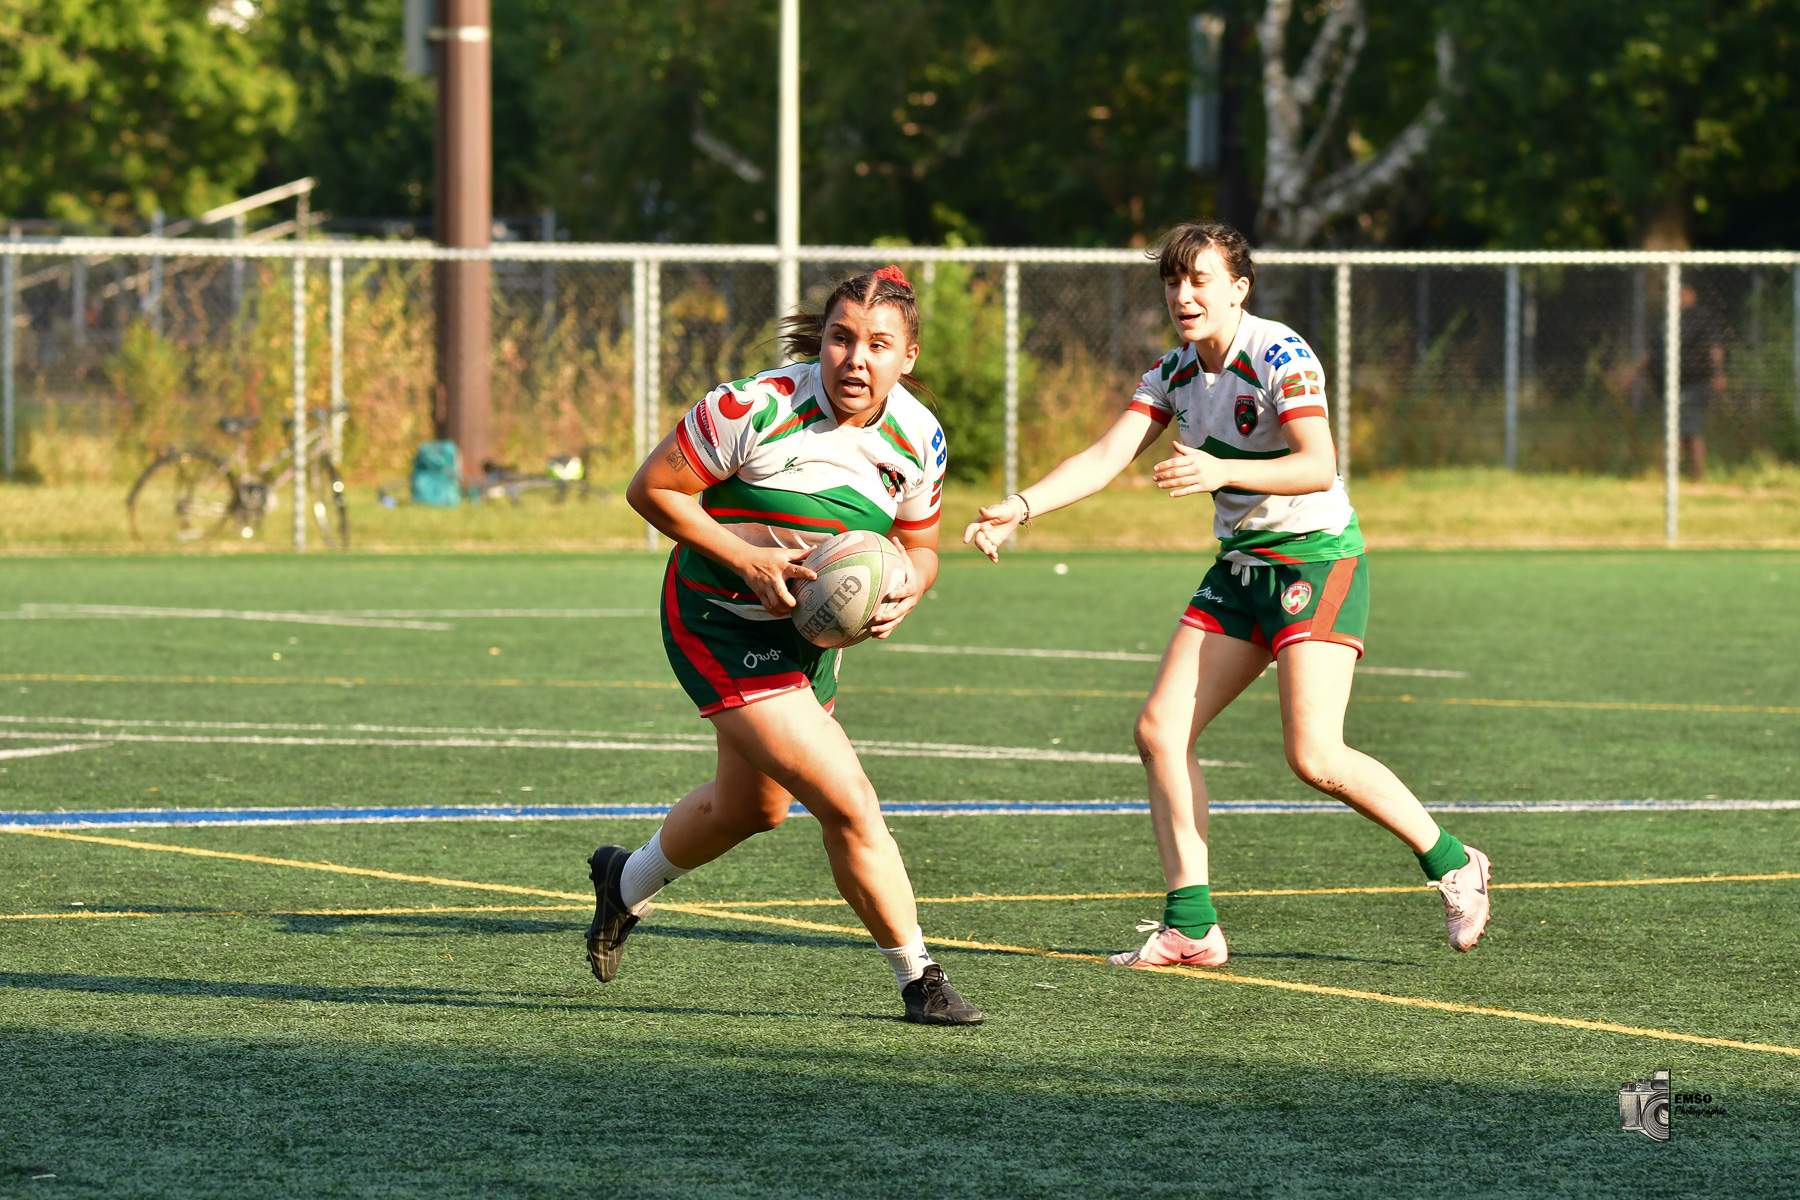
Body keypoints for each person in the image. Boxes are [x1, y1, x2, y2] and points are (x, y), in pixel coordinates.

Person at [963, 221, 1492, 968]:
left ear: (1238, 289)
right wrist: (1019, 509)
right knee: (1159, 733)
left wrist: (1219, 472)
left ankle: (1454, 863)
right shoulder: (1174, 373)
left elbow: (1318, 464)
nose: (1184, 295)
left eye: (1200, 280)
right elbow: (1108, 454)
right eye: (1173, 282)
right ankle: (1191, 928)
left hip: (1316, 560)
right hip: (1242, 567)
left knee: (1314, 754)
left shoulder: (1281, 353)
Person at [584, 265, 982, 1025]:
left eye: (877, 344)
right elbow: (652, 490)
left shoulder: (919, 437)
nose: (855, 359)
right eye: (840, 338)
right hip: (717, 617)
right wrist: (748, 560)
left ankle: (623, 884)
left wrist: (909, 587)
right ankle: (918, 977)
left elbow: (922, 547)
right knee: (849, 799)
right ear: (822, 343)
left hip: (804, 638)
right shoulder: (753, 406)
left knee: (752, 808)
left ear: (909, 357)